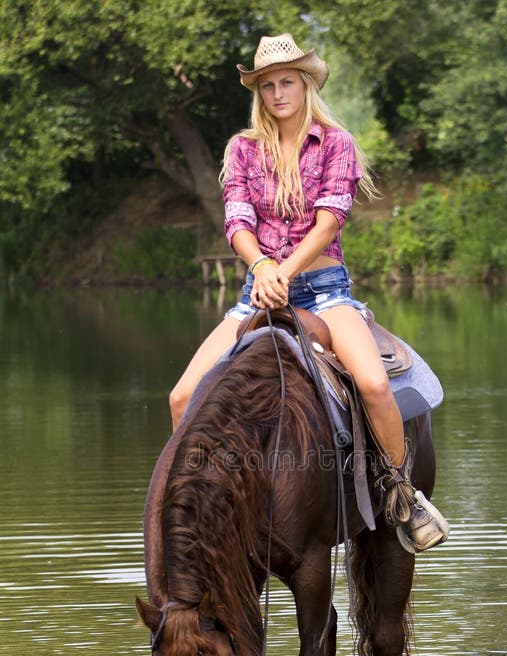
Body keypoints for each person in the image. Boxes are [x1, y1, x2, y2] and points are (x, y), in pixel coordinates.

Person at [169, 33, 448, 552]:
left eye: (287, 83)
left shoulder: (335, 143)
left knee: (372, 384)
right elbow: (237, 221)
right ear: (259, 92)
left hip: (322, 291)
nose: (278, 93)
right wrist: (262, 267)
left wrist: (285, 271)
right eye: (268, 85)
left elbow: (328, 222)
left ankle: (400, 492)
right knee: (182, 395)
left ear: (306, 85)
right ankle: (199, 503)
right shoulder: (243, 149)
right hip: (258, 292)